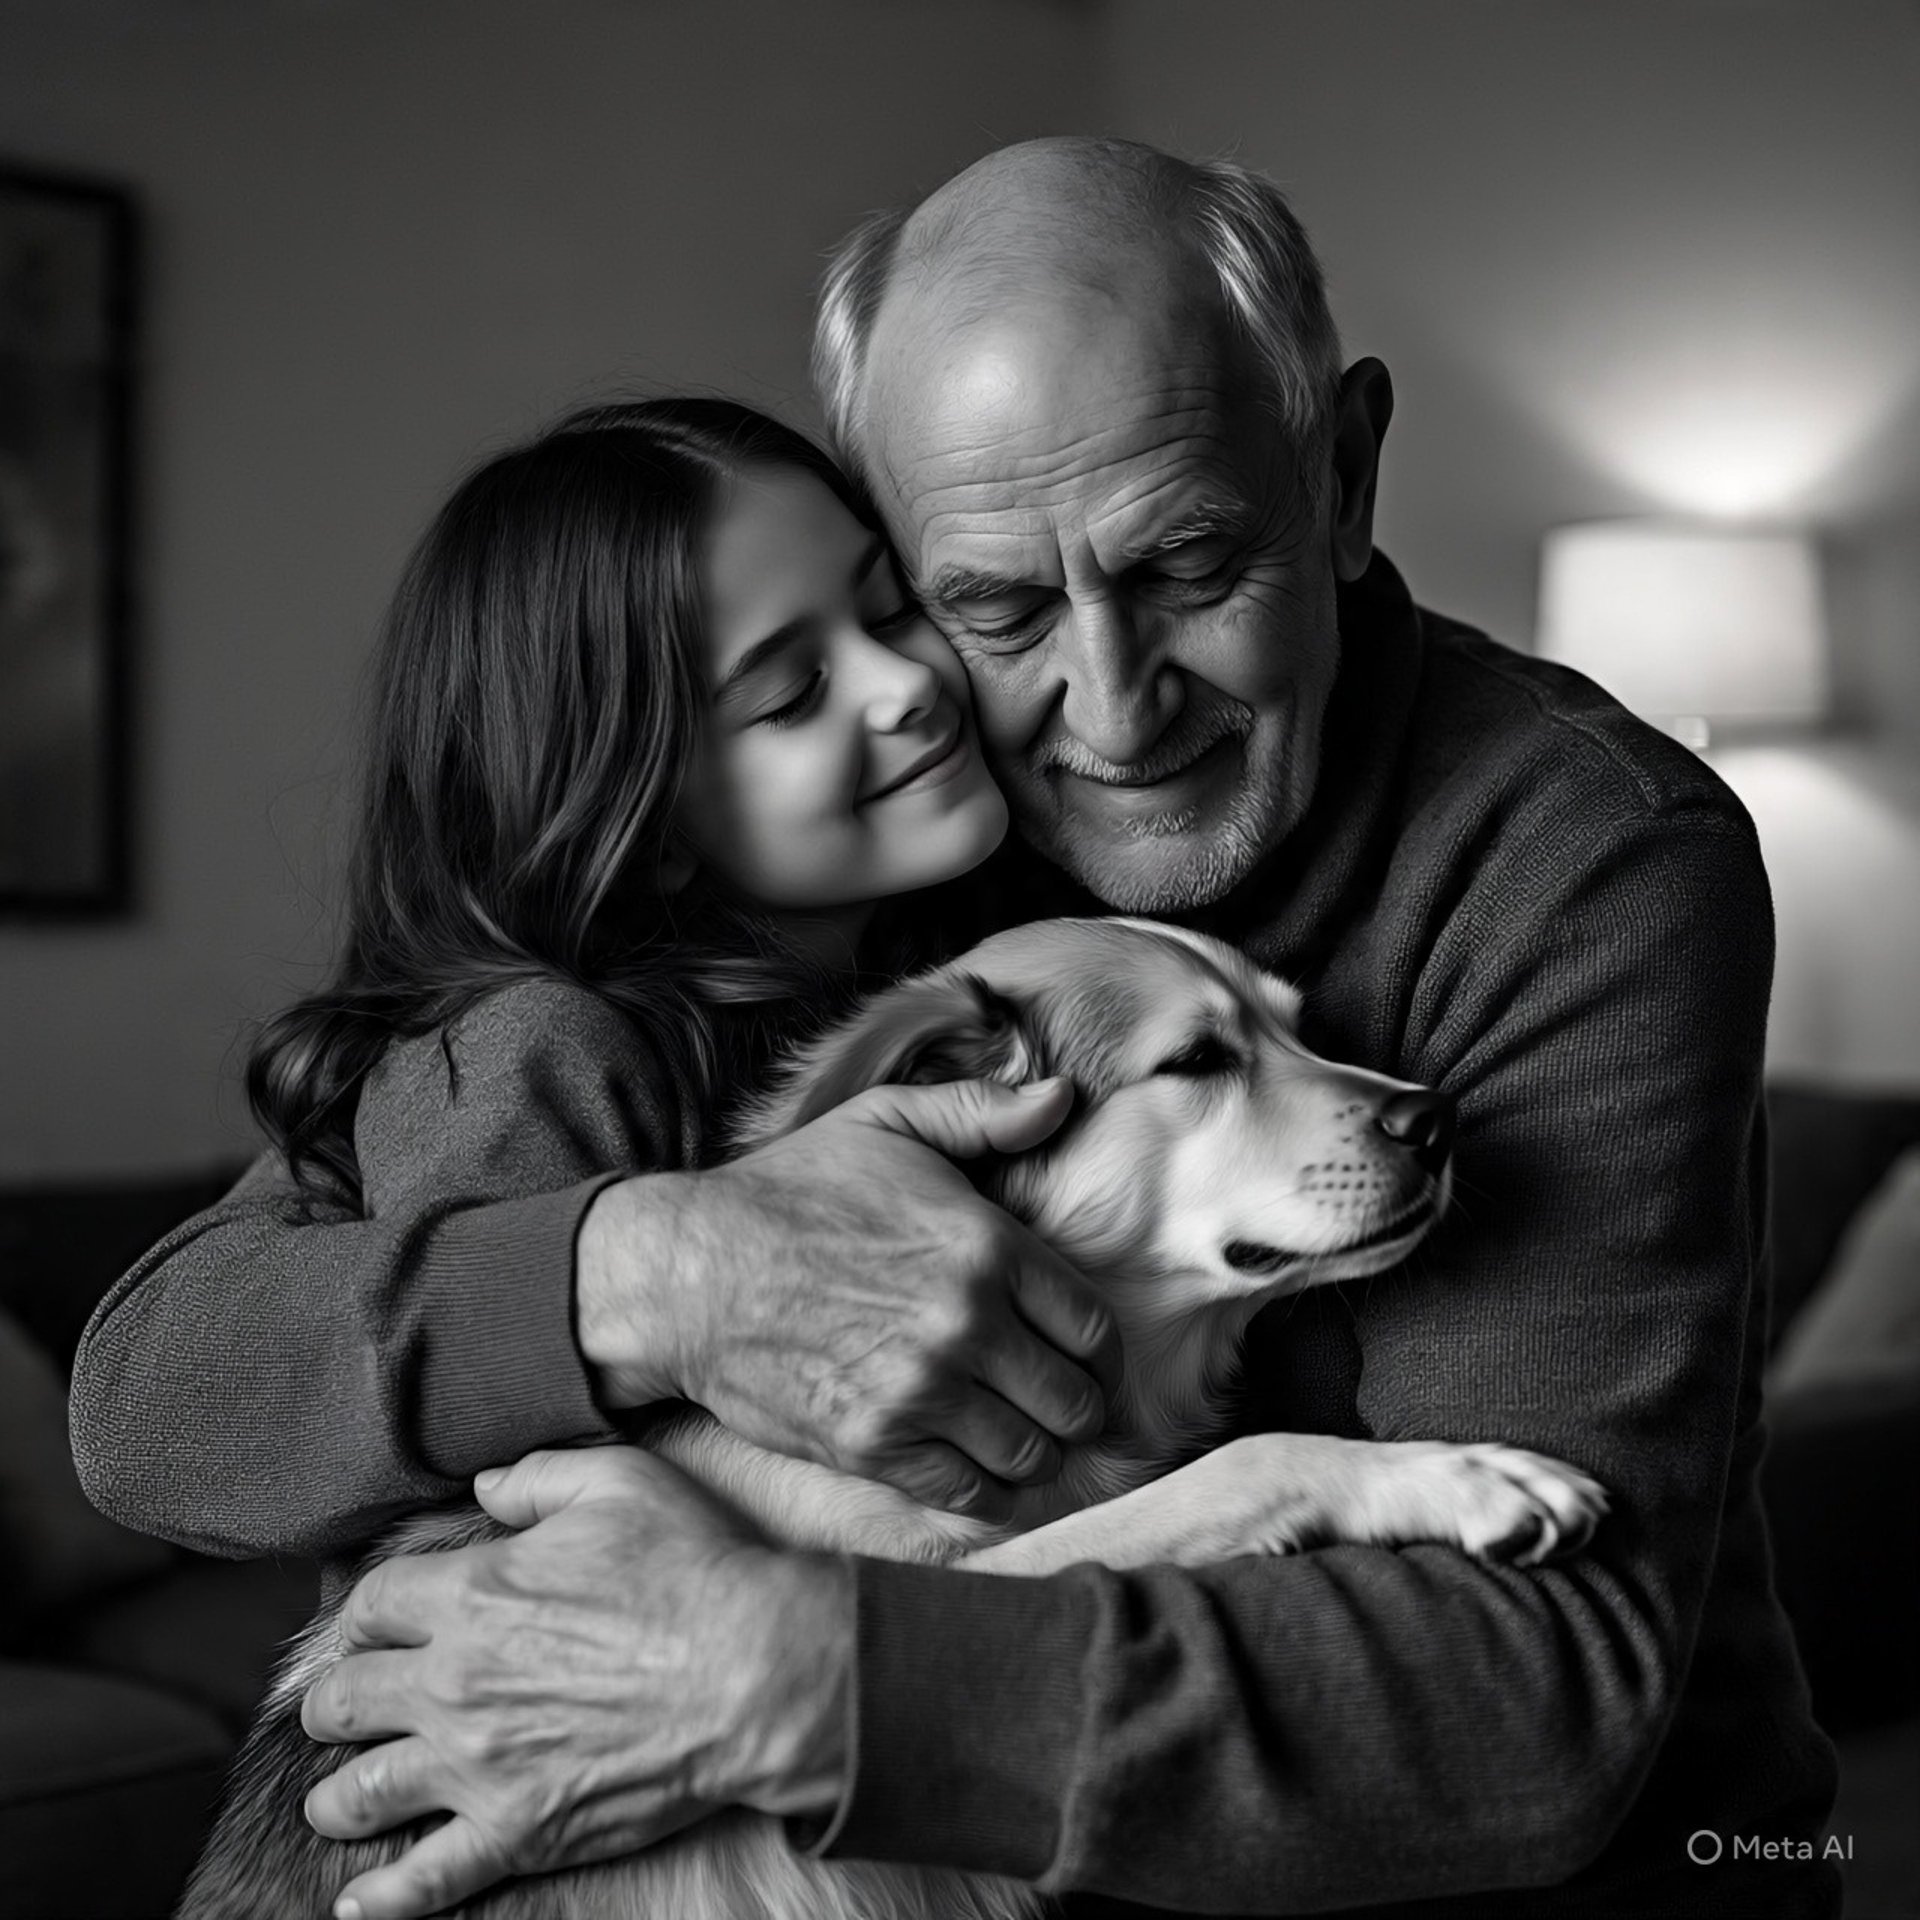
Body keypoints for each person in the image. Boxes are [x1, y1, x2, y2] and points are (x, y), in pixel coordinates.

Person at [72, 140, 1839, 1920]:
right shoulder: (827, 889)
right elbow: (158, 1391)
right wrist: (657, 1265)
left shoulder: (1588, 859)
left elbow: (1521, 1701)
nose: (1109, 700)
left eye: (1191, 561)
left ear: (1346, 473)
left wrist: (780, 1679)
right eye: (991, 603)